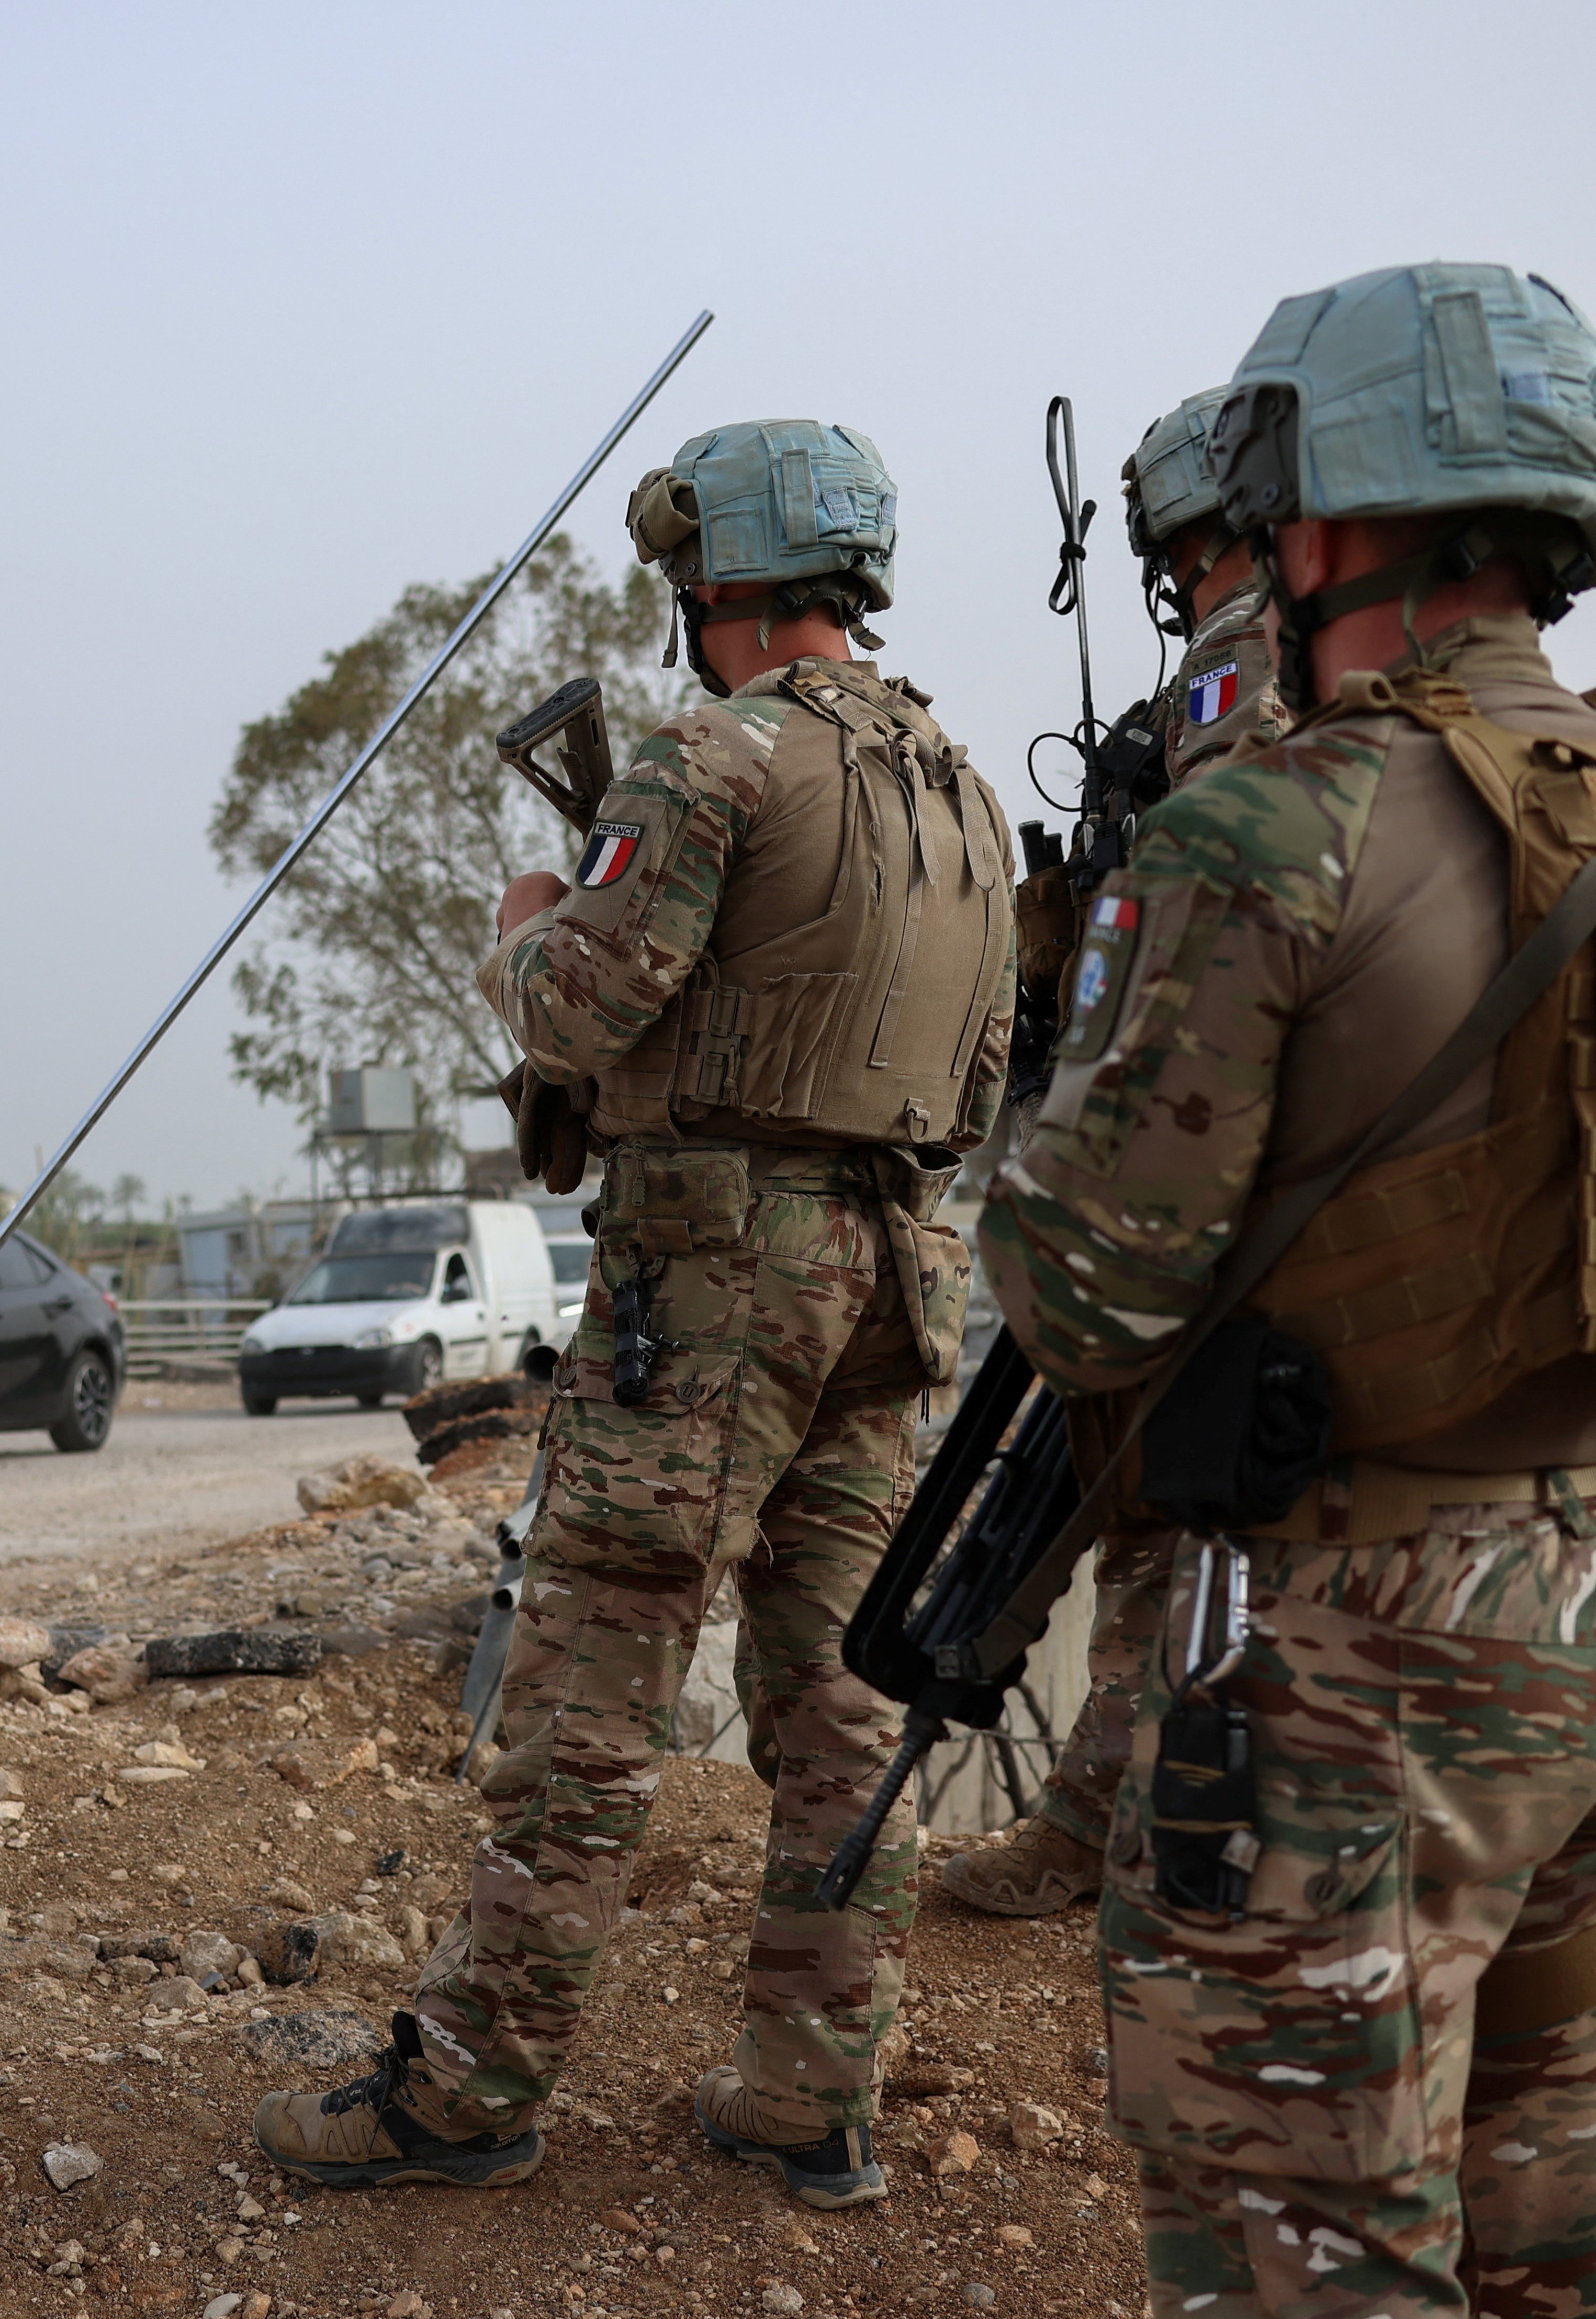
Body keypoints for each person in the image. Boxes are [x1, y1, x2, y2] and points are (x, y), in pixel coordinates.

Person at [986, 261, 1596, 2319]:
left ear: (1330, 518)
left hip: (1357, 1650)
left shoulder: (1268, 824)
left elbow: (1080, 1289)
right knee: (1575, 2225)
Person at [252, 419, 1014, 2209]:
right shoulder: (961, 789)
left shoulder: (710, 755)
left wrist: (523, 922)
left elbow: (582, 1008)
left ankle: (468, 2091)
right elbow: (980, 1077)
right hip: (895, 1278)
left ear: (713, 580)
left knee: (592, 1692)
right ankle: (812, 2092)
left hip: (712, 1287)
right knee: (836, 1703)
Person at [940, 387, 1285, 1924]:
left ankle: (1113, 1833)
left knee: (1159, 1508)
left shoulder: (1242, 663)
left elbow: (1218, 923)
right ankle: (1108, 1816)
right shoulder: (1336, 655)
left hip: (1211, 1160)